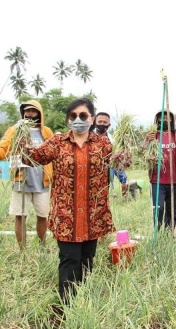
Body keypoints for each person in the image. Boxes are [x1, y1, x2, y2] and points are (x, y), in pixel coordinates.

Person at [24, 98, 115, 304]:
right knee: (69, 260)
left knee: (87, 259)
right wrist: (24, 146)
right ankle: (67, 305)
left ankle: (84, 301)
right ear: (68, 120)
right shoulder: (57, 143)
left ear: (92, 118)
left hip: (93, 213)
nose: (78, 120)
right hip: (67, 214)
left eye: (83, 116)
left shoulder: (103, 144)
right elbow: (34, 158)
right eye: (73, 116)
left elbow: (120, 161)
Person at [0, 100, 53, 247]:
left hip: (42, 181)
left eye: (33, 111)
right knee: (20, 216)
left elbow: (53, 152)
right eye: (27, 111)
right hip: (21, 180)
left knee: (43, 215)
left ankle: (42, 245)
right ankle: (22, 249)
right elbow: (3, 149)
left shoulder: (46, 132)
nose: (29, 114)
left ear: (39, 113)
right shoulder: (15, 129)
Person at [94, 112, 128, 196]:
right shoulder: (88, 136)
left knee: (103, 196)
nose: (102, 124)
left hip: (105, 174)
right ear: (95, 122)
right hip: (91, 172)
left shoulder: (112, 140)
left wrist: (123, 180)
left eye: (105, 122)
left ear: (109, 125)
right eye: (100, 121)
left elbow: (116, 160)